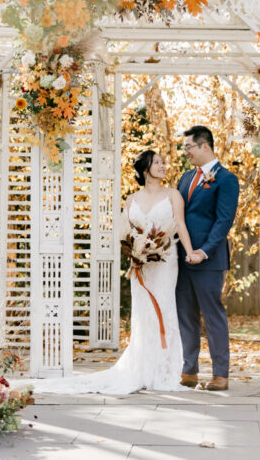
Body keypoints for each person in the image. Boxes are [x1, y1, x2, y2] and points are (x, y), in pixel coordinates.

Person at [30, 150, 197, 394]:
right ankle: (143, 368)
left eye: (163, 162)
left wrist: (190, 252)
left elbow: (180, 224)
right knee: (142, 314)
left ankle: (165, 370)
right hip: (140, 264)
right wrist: (136, 252)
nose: (163, 166)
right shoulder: (131, 199)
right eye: (157, 162)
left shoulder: (173, 195)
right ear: (145, 169)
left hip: (165, 262)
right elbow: (127, 232)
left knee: (164, 309)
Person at [176, 125, 240, 391]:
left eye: (188, 147)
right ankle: (188, 370)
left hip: (209, 260)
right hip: (181, 257)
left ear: (205, 146)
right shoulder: (185, 177)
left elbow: (224, 220)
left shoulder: (226, 179)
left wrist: (204, 251)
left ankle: (220, 374)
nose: (186, 152)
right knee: (185, 315)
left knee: (213, 316)